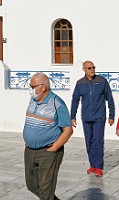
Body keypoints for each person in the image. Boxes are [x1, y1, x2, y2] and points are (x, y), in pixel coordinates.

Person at [23, 72, 73, 200]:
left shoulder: (57, 103)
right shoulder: (33, 100)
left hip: (47, 152)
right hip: (29, 151)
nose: (31, 89)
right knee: (31, 185)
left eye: (33, 86)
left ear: (43, 87)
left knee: (46, 189)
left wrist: (55, 148)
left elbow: (68, 129)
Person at [70, 60, 115, 177]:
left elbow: (109, 99)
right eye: (89, 68)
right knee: (89, 141)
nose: (92, 70)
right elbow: (75, 100)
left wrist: (112, 115)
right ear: (84, 69)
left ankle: (99, 166)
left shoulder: (102, 81)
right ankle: (92, 165)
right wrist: (72, 116)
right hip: (86, 117)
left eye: (93, 67)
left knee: (98, 141)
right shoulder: (80, 83)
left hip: (99, 117)